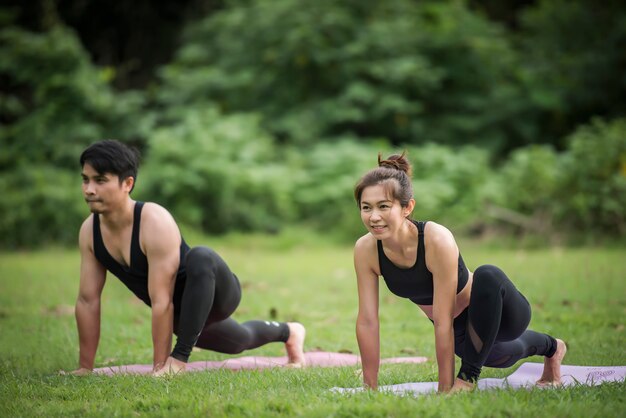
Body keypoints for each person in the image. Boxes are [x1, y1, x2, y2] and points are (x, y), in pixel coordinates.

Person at [66, 139, 305, 376]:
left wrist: (164, 366)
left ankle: (179, 358)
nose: (89, 189)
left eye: (100, 180)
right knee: (239, 342)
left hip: (217, 294)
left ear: (127, 183)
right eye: (85, 180)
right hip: (183, 317)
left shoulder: (153, 221)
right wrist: (85, 368)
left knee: (201, 256)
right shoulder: (90, 232)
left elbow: (161, 301)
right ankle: (290, 331)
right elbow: (88, 301)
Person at [352, 152, 566, 393]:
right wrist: (369, 388)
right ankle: (553, 348)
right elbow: (368, 321)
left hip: (500, 310)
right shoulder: (366, 249)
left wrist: (448, 389)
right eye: (366, 207)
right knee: (502, 356)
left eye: (383, 206)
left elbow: (442, 320)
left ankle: (468, 378)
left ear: (407, 207)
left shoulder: (435, 238)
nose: (374, 217)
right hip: (461, 332)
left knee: (488, 274)